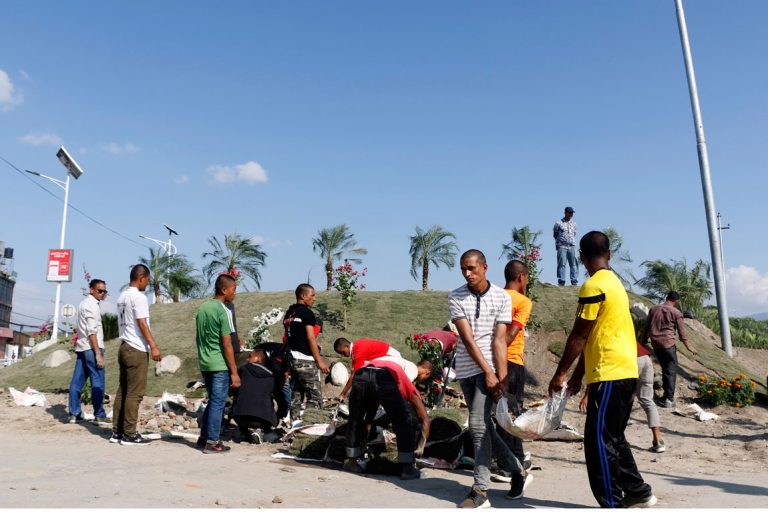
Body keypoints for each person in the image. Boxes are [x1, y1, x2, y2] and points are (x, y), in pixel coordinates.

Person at [548, 231, 656, 508]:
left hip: (609, 372)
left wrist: (560, 374)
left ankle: (612, 503)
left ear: (581, 257)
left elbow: (579, 335)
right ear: (609, 254)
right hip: (625, 370)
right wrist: (577, 377)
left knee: (598, 442)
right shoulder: (615, 284)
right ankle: (638, 491)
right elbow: (596, 335)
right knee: (613, 437)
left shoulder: (593, 286)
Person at [449, 249, 529, 508]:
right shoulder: (455, 296)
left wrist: (501, 377)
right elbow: (467, 339)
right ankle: (517, 470)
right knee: (484, 427)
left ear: (484, 267)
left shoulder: (501, 297)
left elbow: (500, 341)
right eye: (463, 269)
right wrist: (488, 372)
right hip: (468, 369)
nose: (467, 273)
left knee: (477, 426)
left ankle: (480, 490)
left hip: (490, 370)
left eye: (471, 268)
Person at [343, 357, 430, 481]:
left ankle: (352, 462)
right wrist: (421, 446)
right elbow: (425, 419)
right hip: (383, 376)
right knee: (403, 419)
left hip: (361, 374)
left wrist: (365, 435)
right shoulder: (410, 386)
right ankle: (408, 469)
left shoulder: (388, 364)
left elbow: (370, 414)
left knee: (355, 418)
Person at [580, 341, 666, 453]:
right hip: (645, 358)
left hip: (630, 360)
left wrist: (587, 394)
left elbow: (595, 370)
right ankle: (658, 440)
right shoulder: (620, 334)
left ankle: (616, 438)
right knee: (647, 400)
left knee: (622, 401)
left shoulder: (599, 341)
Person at [112, 264, 162, 445]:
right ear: (141, 278)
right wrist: (153, 346)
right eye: (147, 280)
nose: (147, 284)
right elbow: (142, 323)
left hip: (124, 346)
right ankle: (130, 434)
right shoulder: (139, 297)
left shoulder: (122, 296)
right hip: (136, 348)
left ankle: (117, 432)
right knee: (135, 393)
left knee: (123, 391)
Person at [494, 260, 534, 478]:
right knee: (512, 414)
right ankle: (513, 463)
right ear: (521, 277)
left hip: (490, 361)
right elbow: (510, 335)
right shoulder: (523, 302)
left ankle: (505, 460)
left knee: (498, 413)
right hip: (511, 362)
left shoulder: (494, 296)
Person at [195, 274, 241, 454]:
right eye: (233, 289)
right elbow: (227, 343)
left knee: (213, 401)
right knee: (218, 403)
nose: (235, 293)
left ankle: (204, 437)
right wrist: (234, 372)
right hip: (219, 364)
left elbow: (198, 338)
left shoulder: (203, 308)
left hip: (205, 362)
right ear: (224, 290)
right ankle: (212, 442)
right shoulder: (223, 310)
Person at [638, 291, 696, 408]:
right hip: (668, 345)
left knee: (665, 369)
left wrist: (641, 340)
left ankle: (665, 396)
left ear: (667, 298)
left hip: (656, 345)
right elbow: (682, 333)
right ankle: (669, 399)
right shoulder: (676, 312)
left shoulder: (654, 309)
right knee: (670, 371)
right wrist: (689, 347)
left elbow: (646, 327)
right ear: (677, 301)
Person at [283, 283, 329, 423]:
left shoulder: (290, 313)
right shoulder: (306, 313)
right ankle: (313, 426)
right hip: (305, 360)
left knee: (296, 395)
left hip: (292, 358)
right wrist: (319, 361)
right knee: (315, 397)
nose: (314, 298)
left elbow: (289, 337)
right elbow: (310, 337)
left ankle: (295, 425)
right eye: (312, 295)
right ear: (303, 296)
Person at [68, 278, 108, 423]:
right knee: (98, 381)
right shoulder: (91, 306)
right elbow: (92, 331)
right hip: (92, 348)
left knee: (77, 381)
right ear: (91, 290)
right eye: (100, 291)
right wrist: (98, 353)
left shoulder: (83, 304)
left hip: (82, 347)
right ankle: (99, 414)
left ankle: (74, 413)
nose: (102, 293)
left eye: (104, 291)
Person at [231, 348, 278, 444]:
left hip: (239, 417)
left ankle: (244, 432)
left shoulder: (243, 369)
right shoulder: (272, 376)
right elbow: (279, 397)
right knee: (269, 402)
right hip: (262, 419)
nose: (247, 359)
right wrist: (278, 417)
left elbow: (234, 391)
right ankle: (261, 430)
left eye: (250, 356)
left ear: (258, 359)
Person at [334, 337, 401, 400]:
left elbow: (354, 374)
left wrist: (343, 394)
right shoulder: (356, 346)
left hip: (392, 358)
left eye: (342, 352)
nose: (343, 355)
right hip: (389, 355)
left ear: (346, 346)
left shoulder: (358, 351)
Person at [553, 206, 578, 286]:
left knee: (573, 264)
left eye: (572, 213)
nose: (571, 214)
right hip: (562, 246)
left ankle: (574, 280)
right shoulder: (558, 223)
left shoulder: (574, 224)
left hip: (572, 246)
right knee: (562, 264)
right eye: (570, 213)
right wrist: (560, 242)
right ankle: (561, 281)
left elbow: (574, 234)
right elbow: (555, 234)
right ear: (565, 213)